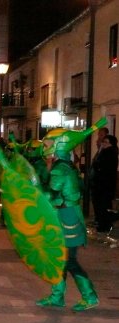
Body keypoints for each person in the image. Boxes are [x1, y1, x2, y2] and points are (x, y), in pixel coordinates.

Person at [36, 122, 104, 311]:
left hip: (67, 218)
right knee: (61, 259)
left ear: (58, 149)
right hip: (67, 215)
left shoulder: (59, 169)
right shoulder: (67, 167)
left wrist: (33, 190)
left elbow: (51, 196)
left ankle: (90, 297)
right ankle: (57, 296)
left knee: (68, 261)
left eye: (48, 146)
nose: (45, 150)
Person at [90, 133, 118, 233]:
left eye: (106, 142)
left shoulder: (109, 153)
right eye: (103, 142)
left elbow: (97, 165)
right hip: (102, 184)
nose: (104, 144)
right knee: (101, 205)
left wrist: (100, 151)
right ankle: (102, 223)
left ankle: (103, 225)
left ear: (111, 144)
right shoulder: (106, 152)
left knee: (103, 206)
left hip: (104, 185)